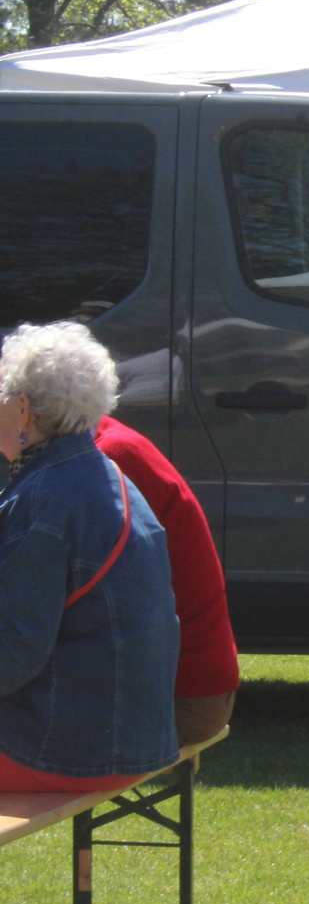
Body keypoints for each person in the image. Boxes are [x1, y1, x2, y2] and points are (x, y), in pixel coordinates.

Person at [0, 322, 178, 791]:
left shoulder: (45, 497)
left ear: (23, 410)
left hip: (63, 749)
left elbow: (15, 648)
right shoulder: (102, 474)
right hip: (128, 740)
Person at [93, 415, 240, 745]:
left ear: (26, 409)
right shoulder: (109, 443)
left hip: (179, 697)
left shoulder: (106, 459)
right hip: (185, 688)